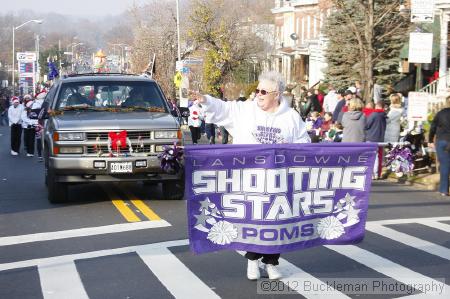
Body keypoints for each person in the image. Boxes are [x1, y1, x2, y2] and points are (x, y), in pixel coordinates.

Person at [192, 71, 310, 280]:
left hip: (278, 183)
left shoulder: (291, 117)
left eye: (263, 91)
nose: (258, 94)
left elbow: (305, 144)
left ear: (277, 94)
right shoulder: (246, 110)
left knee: (276, 223)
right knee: (253, 221)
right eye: (257, 90)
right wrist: (206, 100)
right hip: (250, 182)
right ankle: (252, 261)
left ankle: (272, 262)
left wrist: (291, 147)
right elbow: (224, 109)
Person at [428, 97, 450, 196]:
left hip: (441, 140)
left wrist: (430, 140)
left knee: (444, 165)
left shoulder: (441, 113)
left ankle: (444, 189)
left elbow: (433, 126)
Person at [365, 101, 387, 179]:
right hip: (380, 137)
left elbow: (367, 125)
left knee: (370, 156)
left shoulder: (374, 114)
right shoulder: (384, 115)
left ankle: (371, 174)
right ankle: (376, 173)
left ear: (376, 106)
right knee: (377, 156)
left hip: (371, 137)